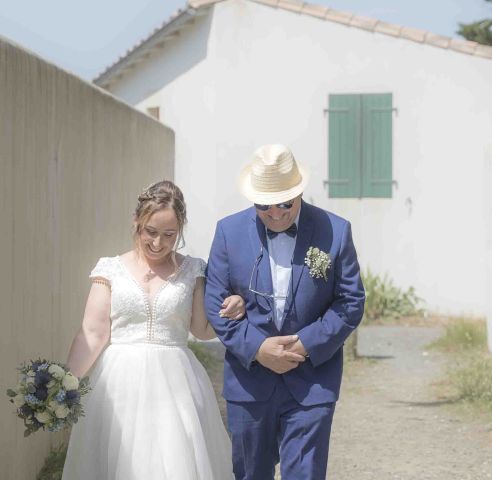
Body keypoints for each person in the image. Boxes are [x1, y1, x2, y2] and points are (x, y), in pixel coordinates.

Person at [61, 180, 243, 480]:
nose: (158, 243)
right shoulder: (109, 269)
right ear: (137, 222)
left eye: (169, 235)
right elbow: (93, 334)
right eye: (151, 232)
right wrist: (63, 384)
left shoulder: (193, 270)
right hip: (118, 385)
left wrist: (234, 309)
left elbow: (202, 329)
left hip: (176, 385)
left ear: (180, 229)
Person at [204, 144, 365, 480]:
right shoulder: (227, 232)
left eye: (285, 205)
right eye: (264, 206)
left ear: (300, 192)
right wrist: (259, 349)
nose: (275, 214)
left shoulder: (336, 230)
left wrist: (306, 344)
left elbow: (350, 301)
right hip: (249, 384)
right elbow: (214, 303)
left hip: (312, 381)